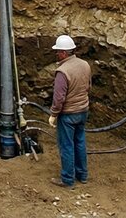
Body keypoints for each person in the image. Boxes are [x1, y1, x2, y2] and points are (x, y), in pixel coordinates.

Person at [48, 34, 91, 189]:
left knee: (66, 145)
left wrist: (53, 114)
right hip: (83, 111)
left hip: (68, 114)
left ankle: (67, 179)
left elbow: (59, 98)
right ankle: (83, 175)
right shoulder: (85, 64)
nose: (56, 54)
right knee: (80, 142)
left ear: (64, 53)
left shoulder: (62, 71)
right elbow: (88, 87)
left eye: (58, 51)